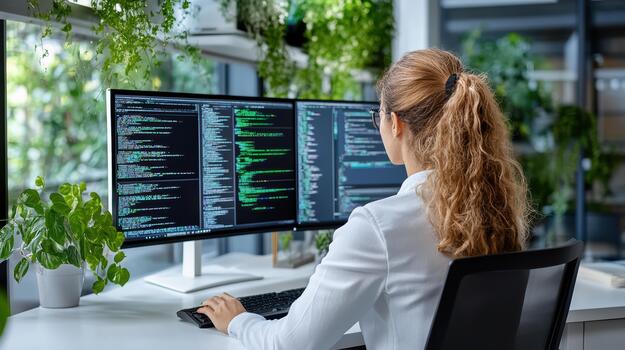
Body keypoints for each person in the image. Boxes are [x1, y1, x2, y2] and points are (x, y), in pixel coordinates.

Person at [196, 48, 530, 350]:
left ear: (395, 123)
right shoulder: (496, 209)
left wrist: (238, 320)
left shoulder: (378, 227)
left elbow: (291, 344)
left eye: (379, 116)